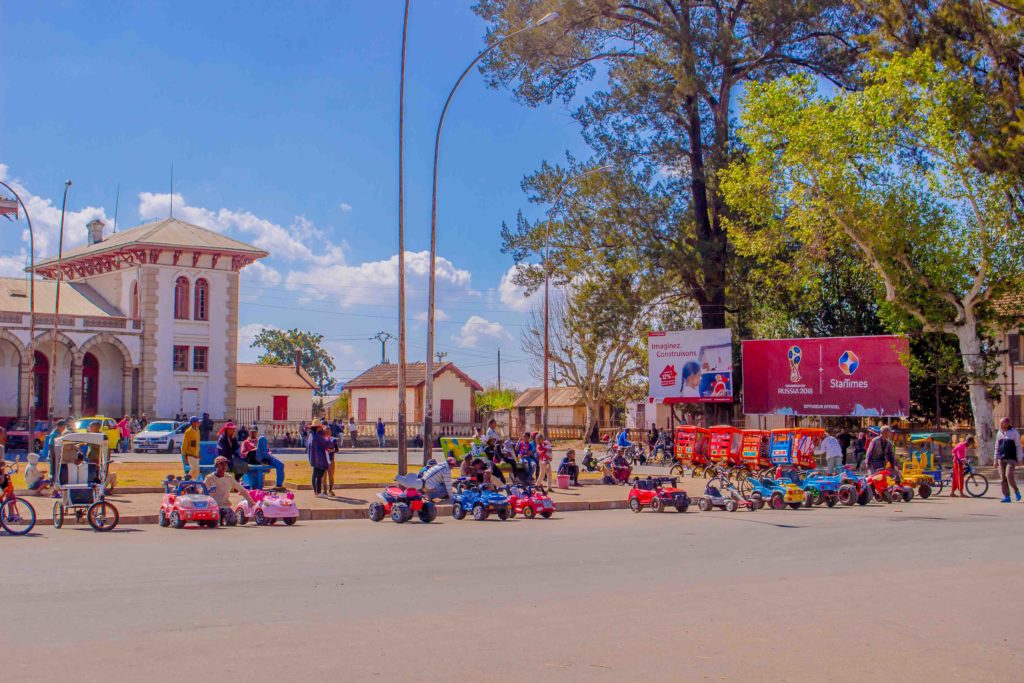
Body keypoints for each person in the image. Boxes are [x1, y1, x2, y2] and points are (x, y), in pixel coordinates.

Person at [204, 456, 255, 521]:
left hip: (225, 506)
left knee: (233, 521)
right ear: (216, 465)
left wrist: (251, 502)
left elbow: (242, 490)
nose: (224, 466)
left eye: (226, 464)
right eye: (221, 464)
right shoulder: (209, 478)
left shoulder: (229, 478)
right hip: (212, 507)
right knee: (214, 521)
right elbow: (204, 494)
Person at [995, 417, 1022, 503]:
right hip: (1001, 458)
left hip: (1011, 458)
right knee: (1002, 478)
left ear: (1007, 423)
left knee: (1009, 475)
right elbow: (997, 446)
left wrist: (1020, 458)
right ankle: (1006, 496)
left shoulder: (1014, 433)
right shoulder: (999, 432)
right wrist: (995, 459)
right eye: (1000, 423)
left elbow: (1018, 446)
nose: (1001, 425)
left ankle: (1016, 490)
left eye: (1002, 423)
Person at [250, 425, 285, 490]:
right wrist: (254, 450)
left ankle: (279, 485)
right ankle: (263, 458)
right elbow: (243, 453)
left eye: (254, 432)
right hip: (255, 458)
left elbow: (268, 450)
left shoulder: (260, 440)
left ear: (257, 432)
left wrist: (268, 452)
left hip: (266, 456)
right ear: (249, 432)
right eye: (251, 432)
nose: (253, 433)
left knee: (281, 464)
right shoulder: (247, 442)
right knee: (262, 438)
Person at [306, 419, 333, 498]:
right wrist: (331, 440)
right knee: (319, 475)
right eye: (320, 427)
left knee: (315, 475)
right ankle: (318, 492)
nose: (321, 429)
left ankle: (315, 492)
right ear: (317, 428)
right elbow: (327, 444)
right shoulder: (317, 437)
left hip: (314, 458)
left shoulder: (311, 435)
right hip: (319, 459)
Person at [180, 416, 202, 482]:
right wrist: (184, 454)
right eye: (197, 422)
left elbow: (197, 443)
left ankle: (193, 483)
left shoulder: (198, 430)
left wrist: (199, 453)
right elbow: (185, 443)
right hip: (190, 454)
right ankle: (185, 480)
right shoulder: (188, 431)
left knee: (197, 471)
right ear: (193, 423)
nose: (199, 423)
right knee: (194, 468)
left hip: (196, 455)